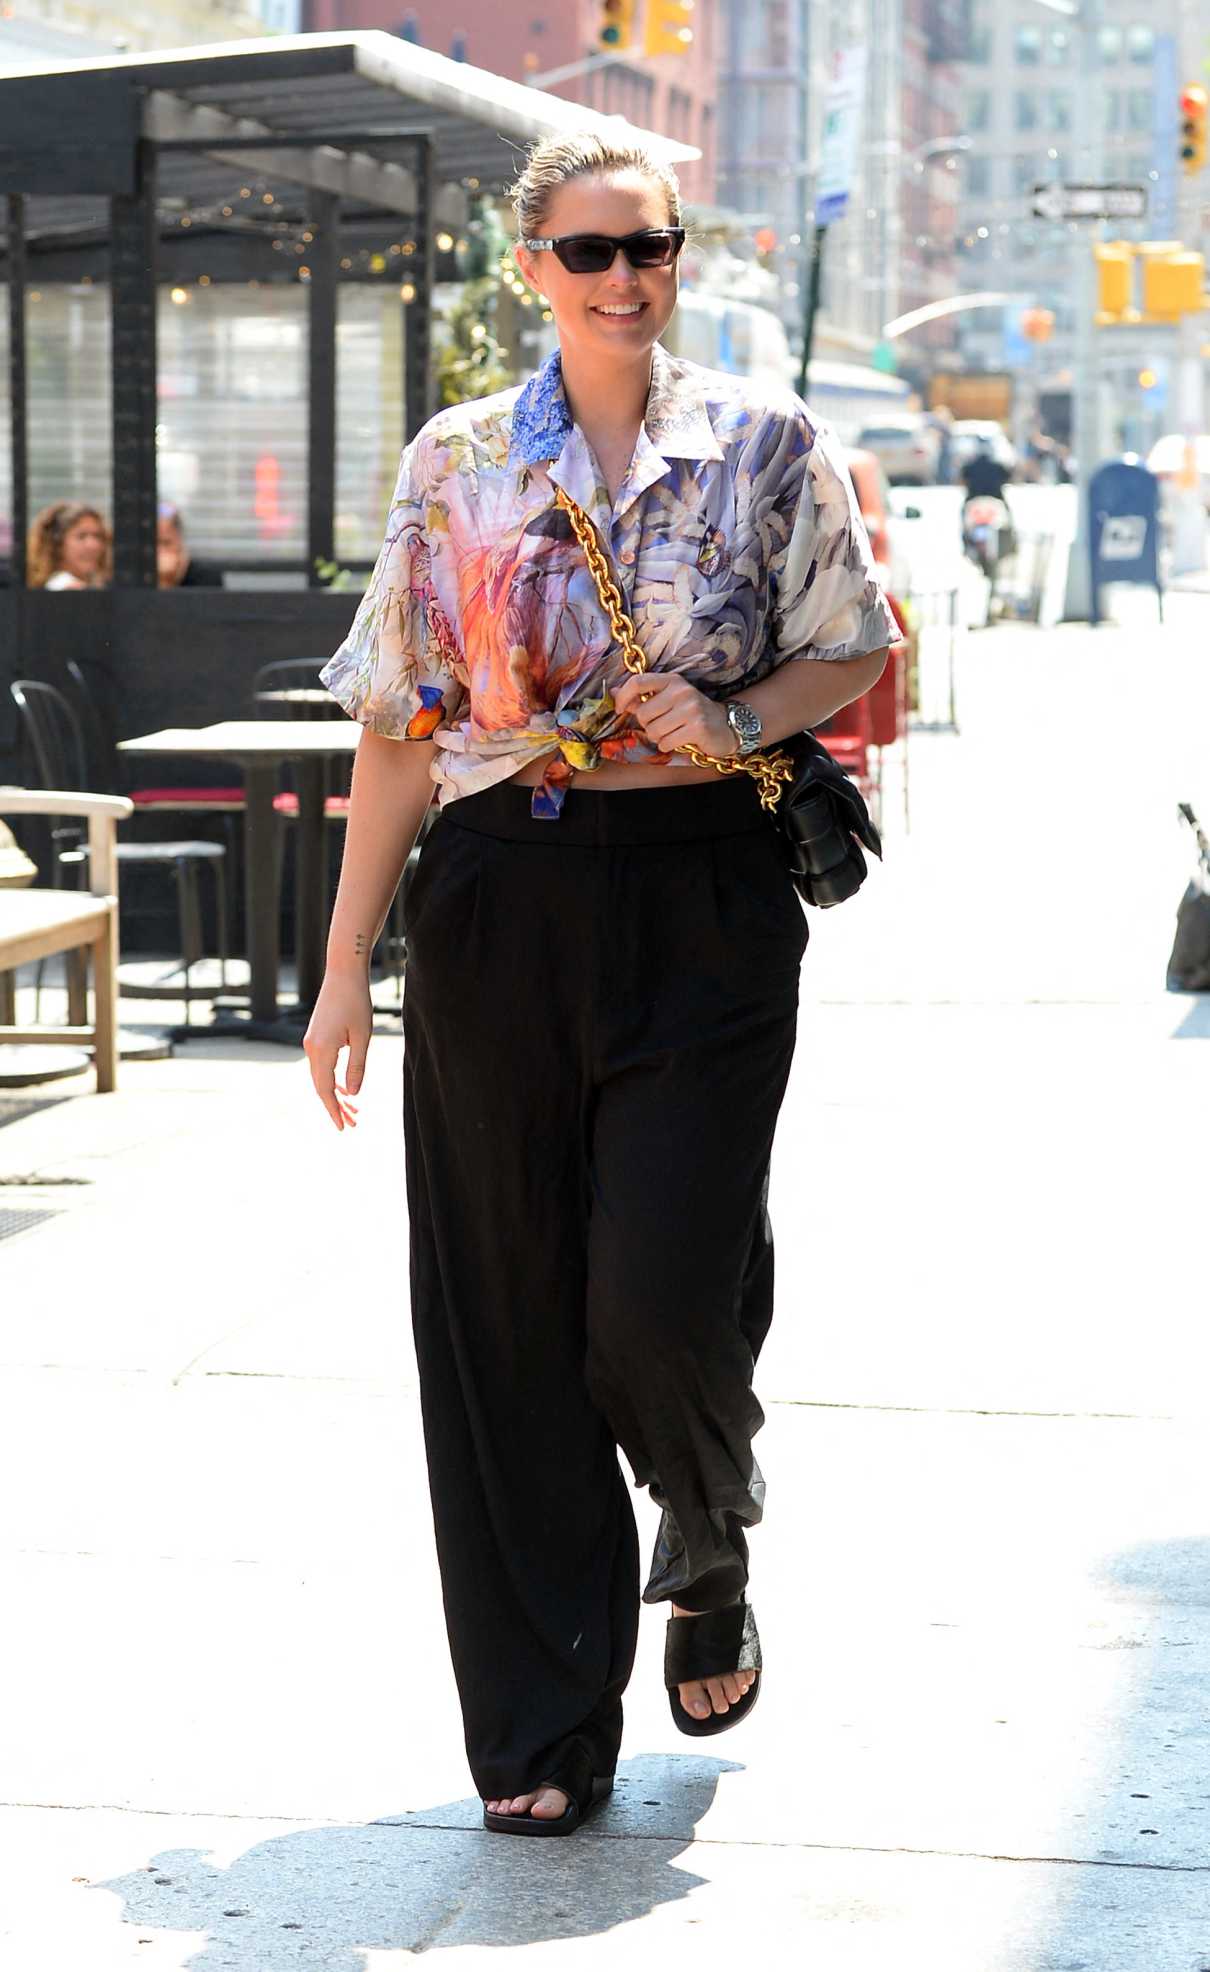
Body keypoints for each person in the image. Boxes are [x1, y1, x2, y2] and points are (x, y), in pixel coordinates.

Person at [306, 132, 895, 1839]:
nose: (626, 276)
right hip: (502, 894)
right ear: (530, 269)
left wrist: (740, 720)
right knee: (502, 1316)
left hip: (706, 891)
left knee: (661, 1283)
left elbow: (850, 641)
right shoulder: (459, 462)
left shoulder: (769, 447)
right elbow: (401, 722)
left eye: (652, 245)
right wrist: (348, 967)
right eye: (590, 251)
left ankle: (705, 1521)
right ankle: (547, 1723)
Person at [27, 500, 111, 589]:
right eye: (81, 536)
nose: (93, 545)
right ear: (56, 544)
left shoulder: (96, 584)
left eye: (98, 536)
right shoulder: (66, 587)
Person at [156, 503, 224, 588]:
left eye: (166, 543)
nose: (159, 551)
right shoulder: (139, 581)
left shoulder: (208, 578)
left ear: (180, 540)